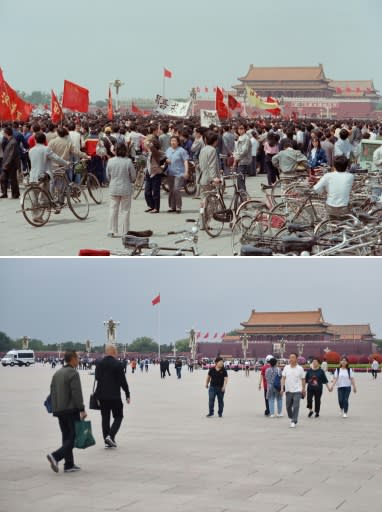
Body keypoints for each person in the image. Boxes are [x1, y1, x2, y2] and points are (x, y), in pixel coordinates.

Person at [47, 350, 87, 473]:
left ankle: (69, 464)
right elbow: (76, 393)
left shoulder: (57, 373)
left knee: (66, 436)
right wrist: (82, 409)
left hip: (59, 410)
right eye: (78, 358)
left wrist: (55, 407)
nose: (79, 360)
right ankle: (56, 456)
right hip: (70, 410)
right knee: (73, 437)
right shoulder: (73, 373)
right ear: (73, 359)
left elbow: (52, 392)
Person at [94, 344, 131, 448]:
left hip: (102, 396)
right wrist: (127, 394)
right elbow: (123, 381)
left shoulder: (100, 364)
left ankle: (107, 439)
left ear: (106, 352)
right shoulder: (118, 364)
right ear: (114, 352)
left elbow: (97, 378)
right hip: (114, 396)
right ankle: (110, 436)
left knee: (105, 418)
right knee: (118, 416)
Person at [106, 142, 136, 237]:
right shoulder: (128, 161)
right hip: (126, 188)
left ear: (115, 150)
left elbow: (107, 176)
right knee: (125, 210)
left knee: (113, 209)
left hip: (114, 187)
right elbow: (133, 176)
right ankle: (125, 231)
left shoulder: (110, 161)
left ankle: (112, 230)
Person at [281, 353, 306, 428]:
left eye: (293, 357)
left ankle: (293, 420)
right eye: (290, 357)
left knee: (296, 406)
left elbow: (303, 379)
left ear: (296, 359)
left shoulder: (300, 368)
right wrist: (282, 388)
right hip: (288, 390)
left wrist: (303, 389)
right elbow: (283, 378)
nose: (291, 359)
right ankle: (292, 417)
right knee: (288, 406)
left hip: (297, 390)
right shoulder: (286, 367)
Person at [165, 135, 189, 213]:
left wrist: (186, 171)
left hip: (179, 173)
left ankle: (178, 207)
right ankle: (172, 207)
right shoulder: (168, 150)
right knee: (171, 190)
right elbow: (165, 159)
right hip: (170, 172)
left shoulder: (182, 150)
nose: (173, 142)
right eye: (172, 141)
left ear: (178, 142)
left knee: (176, 189)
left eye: (174, 141)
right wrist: (166, 161)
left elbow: (185, 161)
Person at [143, 134, 163, 214]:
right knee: (147, 192)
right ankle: (150, 206)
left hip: (156, 173)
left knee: (156, 192)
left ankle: (156, 208)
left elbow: (154, 150)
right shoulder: (149, 152)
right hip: (148, 173)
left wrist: (150, 144)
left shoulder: (156, 152)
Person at [1, 126, 20, 199]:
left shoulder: (13, 142)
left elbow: (11, 155)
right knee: (3, 178)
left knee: (13, 179)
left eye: (4, 132)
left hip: (11, 164)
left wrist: (6, 164)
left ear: (6, 133)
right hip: (7, 163)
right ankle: (4, 193)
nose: (3, 134)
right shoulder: (9, 141)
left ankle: (15, 193)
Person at [233, 123, 252, 192]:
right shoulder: (240, 137)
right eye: (238, 128)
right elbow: (236, 149)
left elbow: (244, 151)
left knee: (240, 180)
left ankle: (243, 197)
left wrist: (236, 159)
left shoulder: (246, 138)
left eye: (241, 128)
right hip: (239, 160)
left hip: (243, 161)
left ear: (245, 129)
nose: (240, 130)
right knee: (239, 180)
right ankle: (242, 197)